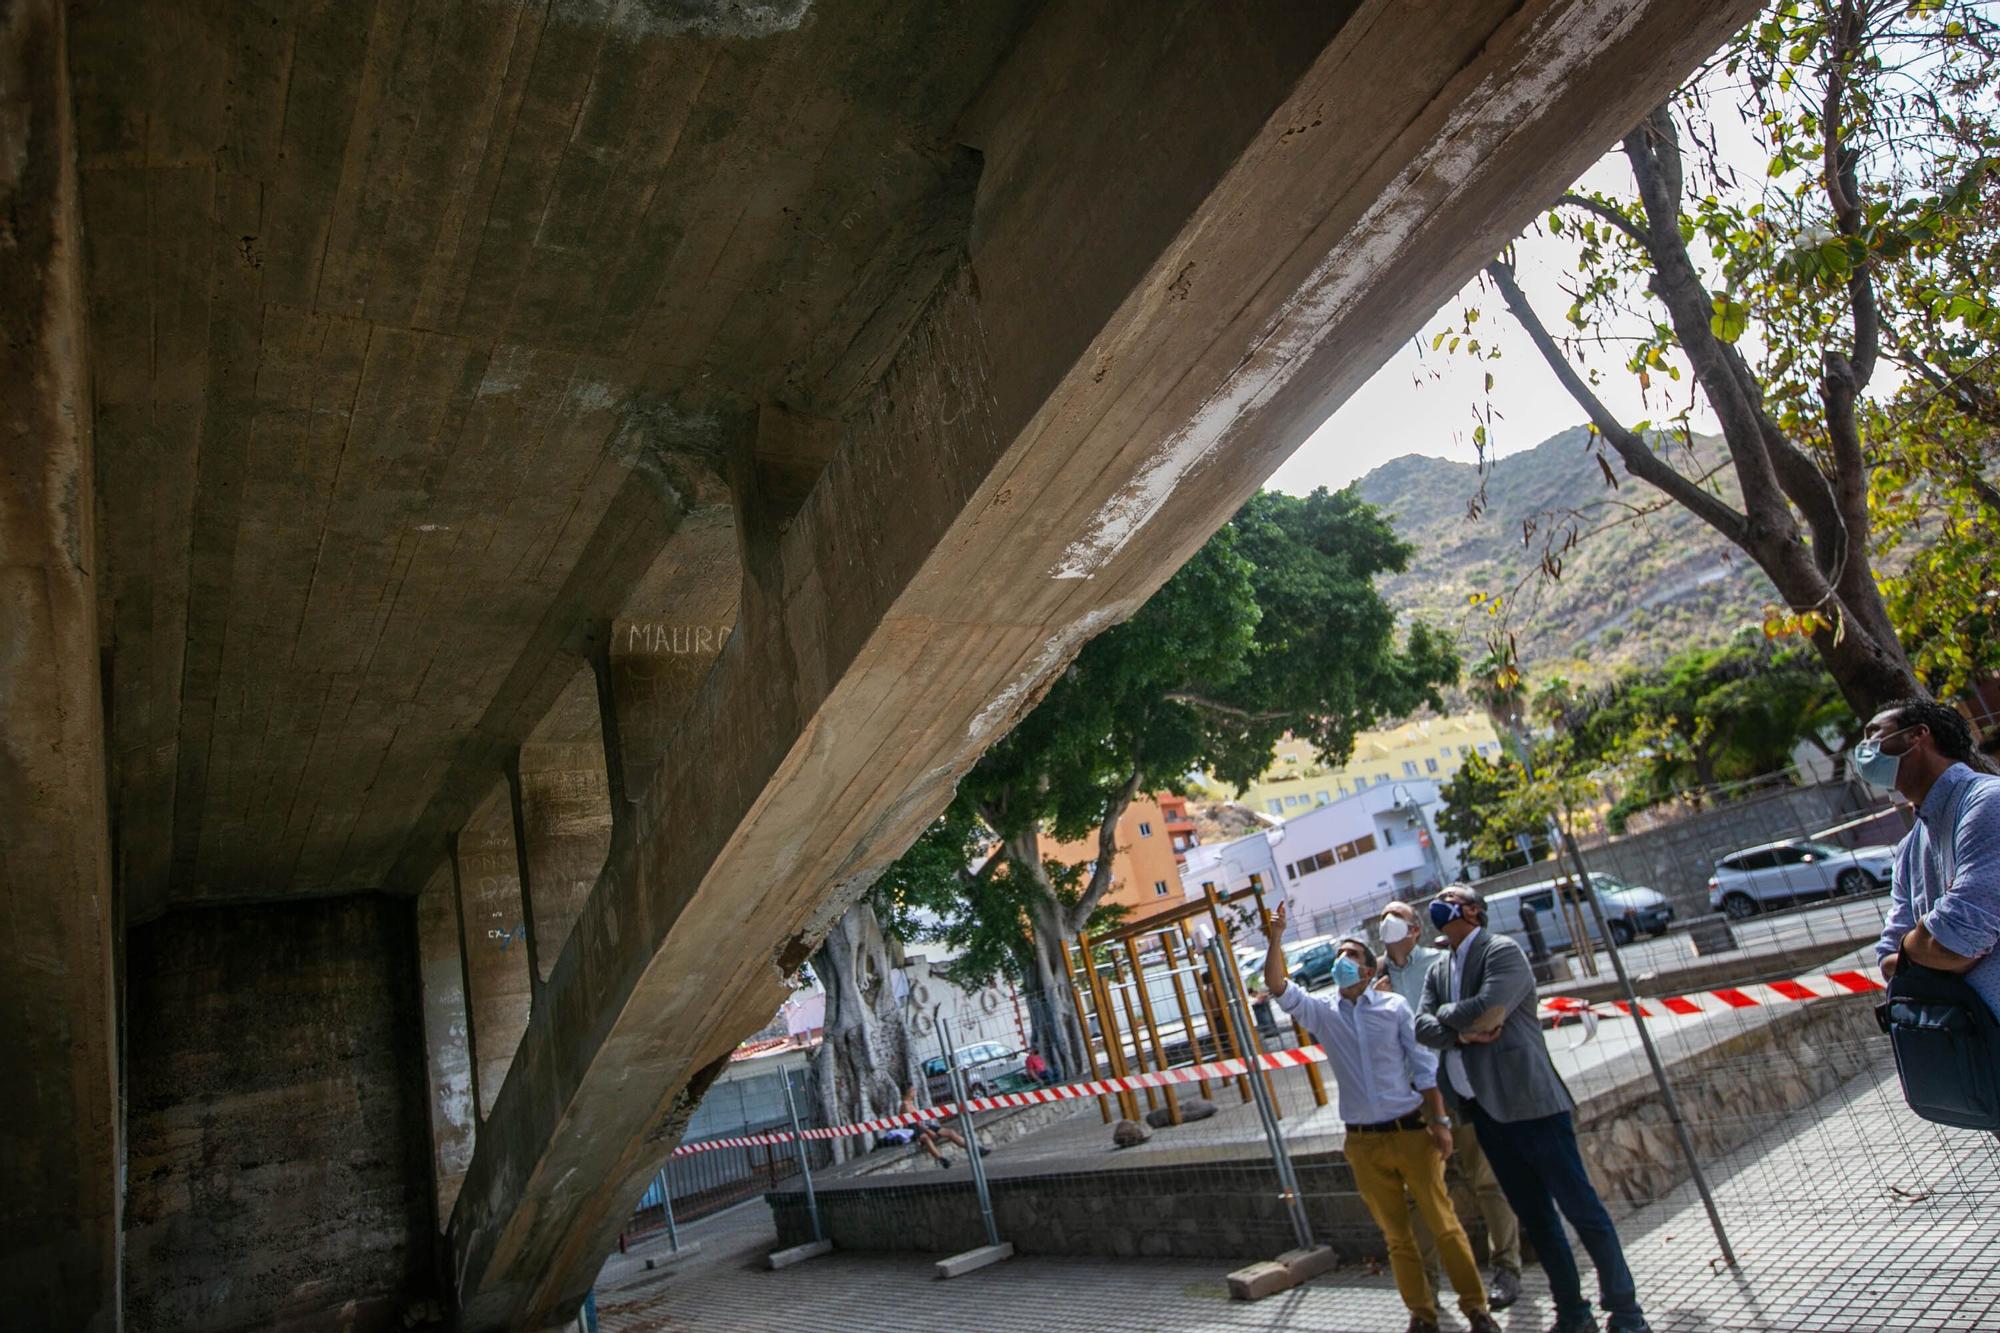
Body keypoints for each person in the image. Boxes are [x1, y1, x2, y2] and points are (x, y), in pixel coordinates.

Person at [1415, 885, 1649, 1333]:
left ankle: (1625, 1311)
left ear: (1473, 909)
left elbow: (1489, 1009)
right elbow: (1422, 1026)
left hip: (1532, 1106)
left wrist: (1448, 1019)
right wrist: (1460, 1032)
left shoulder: (1502, 952)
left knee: (1582, 1210)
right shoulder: (1439, 969)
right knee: (1537, 1220)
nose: (1440, 903)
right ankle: (1573, 1314)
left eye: (1451, 897)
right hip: (1484, 1113)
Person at [1264, 904, 1500, 1333]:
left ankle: (1475, 1309)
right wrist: (1276, 938)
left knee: (1443, 1225)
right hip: (1364, 1143)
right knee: (1397, 1238)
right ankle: (1422, 1315)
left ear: (1370, 971)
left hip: (1410, 1131)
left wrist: (1440, 1123)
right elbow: (1278, 986)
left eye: (1353, 954)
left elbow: (1424, 1067)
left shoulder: (1393, 1008)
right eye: (1340, 952)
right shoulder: (1324, 1013)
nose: (1343, 959)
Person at [1376, 900, 1523, 1311]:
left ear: (1415, 929)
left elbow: (1456, 1020)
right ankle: (1426, 1285)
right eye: (1383, 917)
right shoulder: (1376, 977)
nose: (1387, 924)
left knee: (1485, 1179)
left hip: (1454, 1084)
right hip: (1411, 1097)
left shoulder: (1441, 965)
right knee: (1420, 1193)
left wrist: (1445, 1033)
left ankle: (1506, 1268)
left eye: (1397, 917)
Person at [1868, 699, 2000, 1015]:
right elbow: (1886, 958)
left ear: (1918, 735)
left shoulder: (1989, 803)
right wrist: (1926, 941)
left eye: (1874, 735)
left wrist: (1913, 950)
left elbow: (1955, 941)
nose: (1865, 749)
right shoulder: (1910, 848)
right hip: (1970, 1048)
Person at [901, 1083, 971, 1168]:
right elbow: (913, 1123)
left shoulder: (911, 1103)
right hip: (914, 1128)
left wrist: (928, 1128)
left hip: (923, 1125)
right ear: (908, 1091)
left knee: (950, 1132)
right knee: (925, 1137)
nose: (915, 1092)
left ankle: (972, 1148)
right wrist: (928, 1130)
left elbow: (920, 1121)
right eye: (913, 1090)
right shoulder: (905, 1106)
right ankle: (942, 1159)